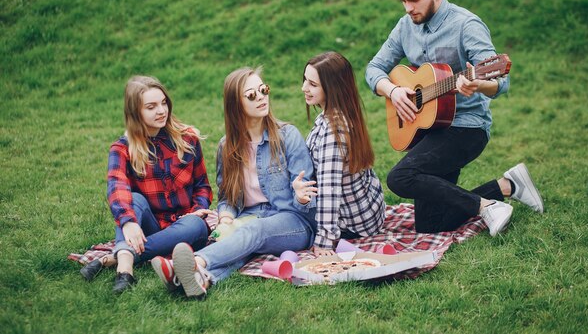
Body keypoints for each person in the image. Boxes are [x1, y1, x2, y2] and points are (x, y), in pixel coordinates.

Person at [365, 0, 544, 236]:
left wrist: (479, 85)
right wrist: (393, 90)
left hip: (466, 128)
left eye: (414, 0)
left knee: (400, 177)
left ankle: (487, 206)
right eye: (403, 1)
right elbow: (373, 69)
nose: (408, 8)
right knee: (432, 226)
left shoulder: (466, 25)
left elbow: (501, 81)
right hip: (428, 129)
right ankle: (507, 186)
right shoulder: (405, 26)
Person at [153, 67, 316, 299]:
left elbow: (306, 195)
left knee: (253, 231)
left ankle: (195, 262)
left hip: (293, 220)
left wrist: (301, 196)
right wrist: (227, 218)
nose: (261, 97)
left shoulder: (287, 136)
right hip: (247, 218)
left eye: (263, 89)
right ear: (235, 105)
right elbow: (227, 197)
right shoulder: (226, 146)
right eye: (251, 95)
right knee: (241, 242)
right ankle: (200, 279)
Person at [79, 76, 212, 293]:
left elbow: (202, 185)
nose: (161, 111)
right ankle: (126, 270)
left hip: (184, 227)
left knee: (197, 226)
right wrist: (128, 222)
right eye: (151, 107)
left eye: (163, 103)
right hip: (148, 224)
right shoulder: (122, 148)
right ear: (135, 112)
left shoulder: (187, 139)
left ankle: (116, 259)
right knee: (134, 199)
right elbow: (116, 186)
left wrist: (197, 211)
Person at [301, 51, 386, 256]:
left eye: (313, 84)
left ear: (332, 88)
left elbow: (330, 189)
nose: (304, 88)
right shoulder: (339, 112)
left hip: (352, 222)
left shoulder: (334, 130)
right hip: (368, 210)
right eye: (305, 80)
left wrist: (324, 240)